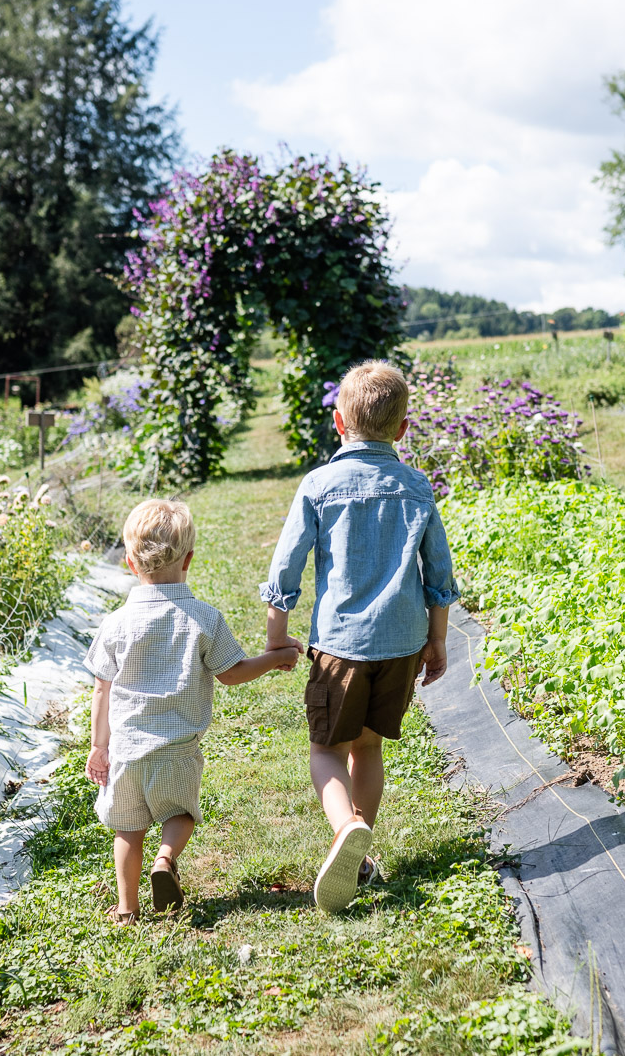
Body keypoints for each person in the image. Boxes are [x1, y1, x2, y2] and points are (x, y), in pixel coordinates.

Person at [260, 359, 459, 912]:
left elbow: (286, 567)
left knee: (326, 751)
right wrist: (437, 640)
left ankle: (346, 827)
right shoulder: (416, 486)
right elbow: (437, 573)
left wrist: (278, 635)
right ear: (402, 429)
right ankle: (362, 851)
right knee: (369, 747)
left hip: (341, 644)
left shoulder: (320, 484)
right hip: (401, 644)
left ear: (339, 423)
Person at [84, 497, 300, 922]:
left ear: (130, 563)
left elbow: (100, 690)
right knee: (180, 814)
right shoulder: (202, 618)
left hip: (126, 751)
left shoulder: (115, 624)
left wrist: (99, 747)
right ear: (190, 560)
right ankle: (165, 859)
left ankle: (127, 910)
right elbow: (232, 673)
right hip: (177, 750)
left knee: (128, 830)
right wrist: (275, 657)